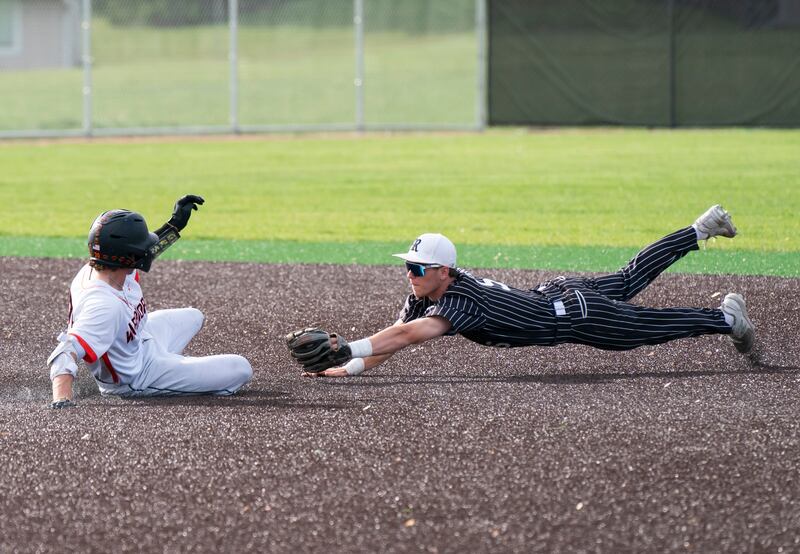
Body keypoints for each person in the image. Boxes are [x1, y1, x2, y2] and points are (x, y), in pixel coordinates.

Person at [304, 205, 755, 378]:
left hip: (577, 315)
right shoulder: (432, 293)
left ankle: (727, 319)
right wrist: (351, 366)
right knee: (627, 279)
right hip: (561, 293)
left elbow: (404, 336)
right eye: (408, 265)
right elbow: (397, 335)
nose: (410, 273)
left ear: (444, 271)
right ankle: (698, 230)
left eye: (418, 267)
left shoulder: (461, 302)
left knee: (642, 328)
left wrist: (347, 346)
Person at [47, 195, 253, 408]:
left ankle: (173, 365)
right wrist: (61, 400)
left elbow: (143, 251)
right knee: (240, 369)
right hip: (137, 378)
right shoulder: (104, 306)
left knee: (194, 316)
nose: (146, 250)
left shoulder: (106, 267)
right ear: (128, 255)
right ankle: (173, 374)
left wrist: (174, 225)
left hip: (142, 341)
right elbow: (65, 352)